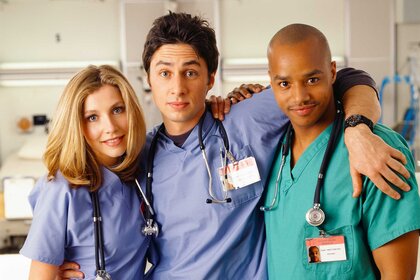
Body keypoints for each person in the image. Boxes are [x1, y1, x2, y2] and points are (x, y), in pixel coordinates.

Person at [58, 12, 411, 279]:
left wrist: (358, 128)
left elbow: (346, 78)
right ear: (148, 78)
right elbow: (97, 216)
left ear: (211, 78)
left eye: (191, 72)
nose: (178, 88)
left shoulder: (247, 119)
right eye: (165, 73)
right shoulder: (136, 154)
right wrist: (72, 268)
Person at [263, 23, 420, 279]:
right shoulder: (271, 148)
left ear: (332, 71)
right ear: (271, 81)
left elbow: (398, 275)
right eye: (284, 83)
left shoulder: (377, 149)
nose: (299, 96)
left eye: (312, 79)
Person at [19, 65, 151, 279]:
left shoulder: (142, 165)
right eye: (92, 117)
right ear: (76, 124)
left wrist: (213, 105)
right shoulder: (61, 189)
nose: (110, 127)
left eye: (117, 110)